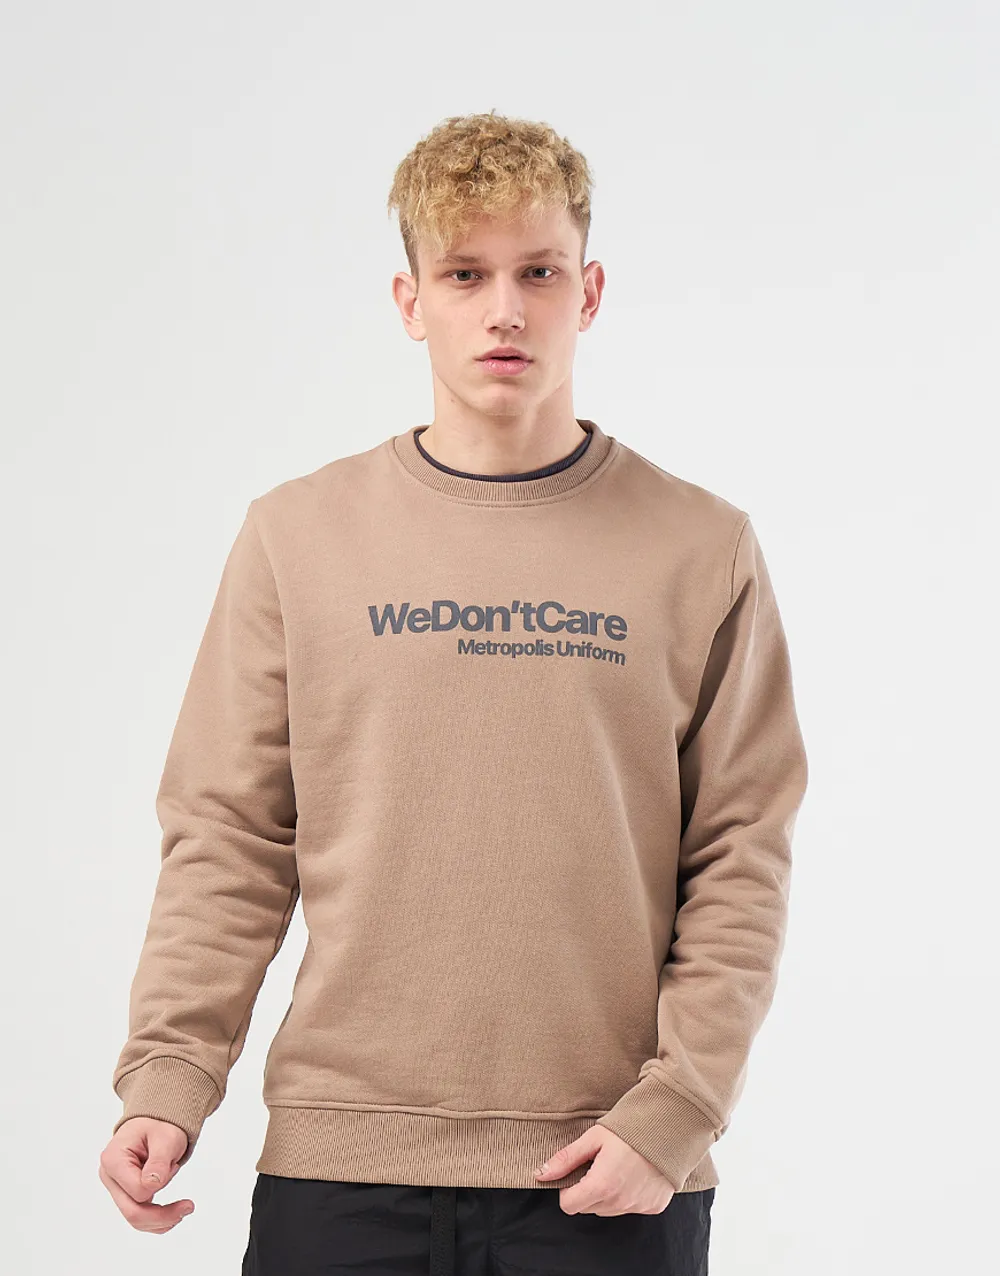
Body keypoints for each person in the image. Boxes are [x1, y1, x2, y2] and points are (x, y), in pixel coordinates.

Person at [99, 109, 809, 1276]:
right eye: (465, 274)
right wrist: (171, 1075)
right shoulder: (297, 537)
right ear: (409, 300)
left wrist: (677, 1108)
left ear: (588, 292)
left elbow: (741, 852)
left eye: (539, 272)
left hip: (608, 1165)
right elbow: (228, 836)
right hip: (341, 1167)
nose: (504, 310)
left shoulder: (698, 546)